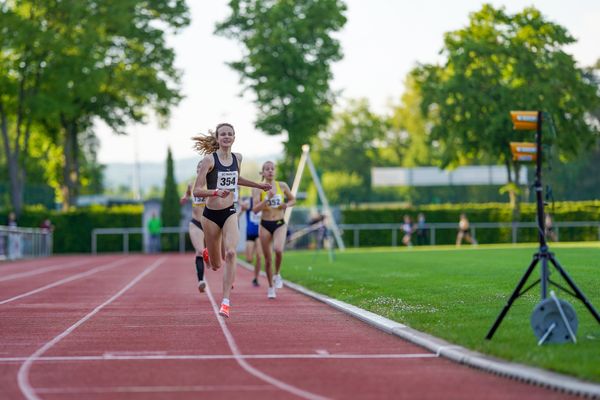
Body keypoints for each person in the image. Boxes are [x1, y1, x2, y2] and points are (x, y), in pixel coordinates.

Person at [192, 123, 271, 318]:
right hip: (210, 216)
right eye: (223, 134)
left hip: (229, 211)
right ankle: (207, 254)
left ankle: (225, 302)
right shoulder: (209, 160)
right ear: (218, 139)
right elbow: (197, 190)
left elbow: (236, 179)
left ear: (234, 137)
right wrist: (216, 191)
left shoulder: (238, 158)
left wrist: (259, 186)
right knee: (217, 265)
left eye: (230, 134)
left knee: (231, 252)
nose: (226, 137)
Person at [252, 161, 296, 299]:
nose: (270, 171)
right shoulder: (257, 189)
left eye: (272, 169)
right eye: (267, 169)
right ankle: (271, 287)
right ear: (263, 172)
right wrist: (267, 199)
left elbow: (293, 200)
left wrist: (286, 204)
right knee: (268, 259)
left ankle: (277, 274)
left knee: (278, 250)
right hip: (265, 224)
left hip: (279, 223)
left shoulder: (282, 186)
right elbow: (254, 209)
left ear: (275, 171)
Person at [180, 161, 212, 294]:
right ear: (196, 170)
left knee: (218, 254)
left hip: (210, 223)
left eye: (203, 168)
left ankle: (212, 261)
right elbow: (187, 194)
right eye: (199, 168)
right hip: (196, 223)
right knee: (199, 251)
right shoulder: (191, 185)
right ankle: (201, 281)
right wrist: (185, 197)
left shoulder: (212, 185)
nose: (201, 170)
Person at [240, 196, 263, 287]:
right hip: (250, 233)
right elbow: (241, 209)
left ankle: (256, 278)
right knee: (249, 259)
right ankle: (251, 254)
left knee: (259, 256)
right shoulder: (248, 202)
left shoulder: (264, 201)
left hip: (260, 233)